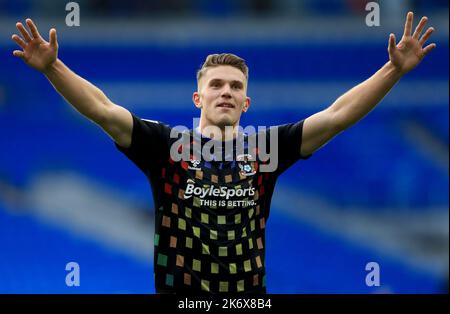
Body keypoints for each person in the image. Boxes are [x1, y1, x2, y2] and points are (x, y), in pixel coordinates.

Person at [11, 12, 436, 294]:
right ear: (198, 98)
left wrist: (393, 70)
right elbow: (102, 109)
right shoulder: (166, 148)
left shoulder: (266, 149)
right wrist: (52, 67)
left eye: (235, 86)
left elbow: (337, 115)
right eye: (216, 85)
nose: (226, 92)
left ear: (246, 103)